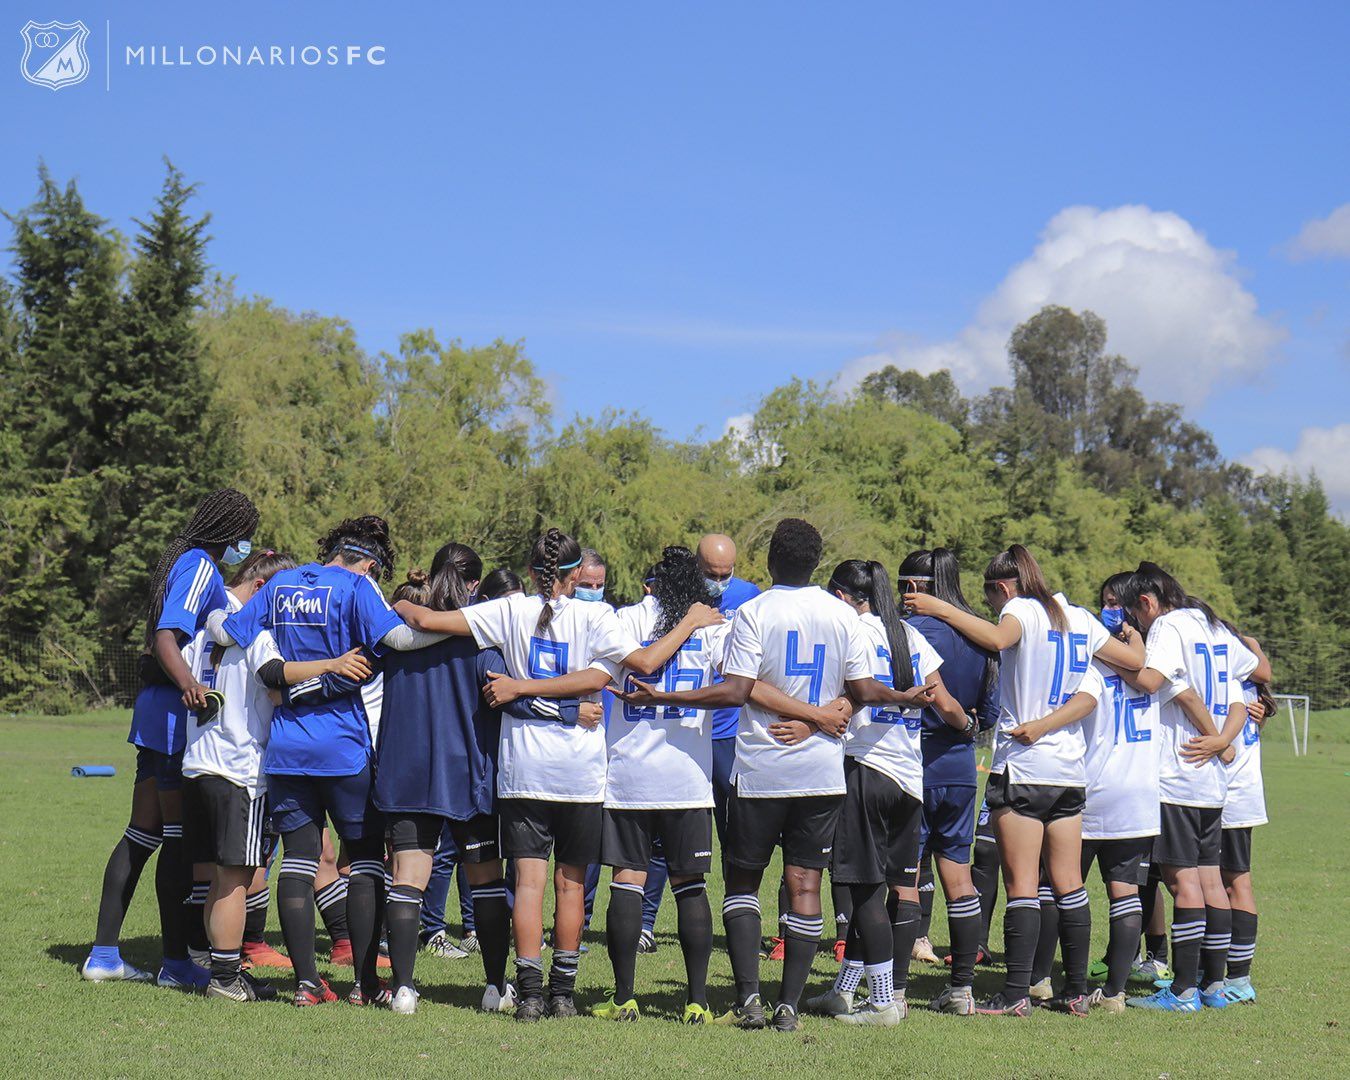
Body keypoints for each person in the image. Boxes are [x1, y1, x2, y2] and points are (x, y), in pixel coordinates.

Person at [615, 519, 934, 1032]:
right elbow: (863, 689)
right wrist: (822, 717)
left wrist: (665, 696)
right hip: (823, 773)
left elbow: (737, 690)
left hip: (761, 769)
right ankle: (788, 1005)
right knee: (805, 884)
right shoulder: (843, 614)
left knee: (743, 882)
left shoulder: (754, 611)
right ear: (816, 561)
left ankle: (750, 1000)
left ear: (768, 562)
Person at [394, 527, 722, 1022]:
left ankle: (528, 993)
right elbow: (643, 663)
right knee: (571, 886)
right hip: (581, 772)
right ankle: (563, 993)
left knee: (527, 885)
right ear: (575, 576)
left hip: (523, 769)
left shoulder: (509, 609)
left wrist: (399, 608)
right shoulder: (598, 615)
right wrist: (691, 621)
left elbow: (424, 618)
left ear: (531, 573)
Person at [210, 515, 446, 1006]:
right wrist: (460, 629)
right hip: (342, 747)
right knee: (362, 861)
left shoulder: (279, 585)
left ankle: (306, 984)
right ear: (369, 563)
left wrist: (207, 619)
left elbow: (229, 633)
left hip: (287, 748)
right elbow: (400, 640)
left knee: (297, 860)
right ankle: (363, 982)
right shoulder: (356, 588)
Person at [906, 544, 1143, 1017]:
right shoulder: (1080, 617)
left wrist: (940, 608)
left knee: (1022, 887)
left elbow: (997, 638)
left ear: (1003, 587)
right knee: (1070, 886)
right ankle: (1075, 991)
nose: (994, 607)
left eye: (991, 597)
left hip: (1023, 766)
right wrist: (1135, 641)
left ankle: (1015, 993)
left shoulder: (1020, 610)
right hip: (1069, 771)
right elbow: (1132, 663)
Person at [377, 542, 596, 1015]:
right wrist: (569, 711)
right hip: (468, 773)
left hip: (406, 770)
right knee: (486, 882)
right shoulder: (481, 639)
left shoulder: (395, 632)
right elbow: (508, 695)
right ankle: (496, 987)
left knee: (408, 878)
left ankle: (403, 989)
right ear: (476, 585)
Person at [82, 488, 259, 988]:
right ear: (230, 531)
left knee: (142, 835)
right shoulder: (201, 563)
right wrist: (192, 687)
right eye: (244, 537)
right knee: (178, 841)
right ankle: (177, 963)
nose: (244, 546)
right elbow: (166, 636)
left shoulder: (185, 561)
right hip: (173, 719)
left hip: (153, 713)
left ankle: (104, 954)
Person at [180, 549, 372, 1001]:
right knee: (237, 876)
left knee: (219, 875)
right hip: (238, 767)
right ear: (265, 591)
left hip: (197, 761)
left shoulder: (209, 628)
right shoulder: (258, 629)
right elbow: (273, 676)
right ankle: (225, 979)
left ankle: (220, 965)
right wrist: (331, 665)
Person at [804, 559, 966, 1025]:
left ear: (841, 595)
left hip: (867, 769)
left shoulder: (852, 631)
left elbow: (859, 689)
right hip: (908, 780)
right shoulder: (909, 635)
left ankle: (883, 1001)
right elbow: (945, 701)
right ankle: (843, 991)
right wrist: (968, 723)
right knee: (891, 887)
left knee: (862, 892)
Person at [590, 546, 733, 1024]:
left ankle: (624, 996)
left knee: (626, 882)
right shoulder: (711, 625)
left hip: (630, 774)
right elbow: (738, 685)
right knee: (690, 887)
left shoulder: (626, 617)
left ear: (652, 583)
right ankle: (697, 1001)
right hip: (688, 778)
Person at [1112, 564, 1255, 1013]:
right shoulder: (1210, 623)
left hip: (1176, 774)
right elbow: (1241, 696)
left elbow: (1153, 681)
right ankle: (1214, 986)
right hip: (1211, 781)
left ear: (1147, 603)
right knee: (1211, 881)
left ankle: (1184, 990)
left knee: (1182, 882)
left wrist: (1110, 652)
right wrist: (1223, 741)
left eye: (1137, 616)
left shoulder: (1169, 627)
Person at [1034, 574, 1165, 1013]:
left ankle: (1040, 980)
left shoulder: (1087, 660)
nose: (1108, 610)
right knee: (1124, 891)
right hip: (1140, 793)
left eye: (1114, 604)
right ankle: (1115, 994)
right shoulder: (1159, 665)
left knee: (1058, 886)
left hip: (1089, 788)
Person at [896, 548, 1000, 1015]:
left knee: (902, 876)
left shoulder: (906, 630)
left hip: (909, 763)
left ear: (914, 587)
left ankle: (892, 989)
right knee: (958, 874)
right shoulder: (981, 636)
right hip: (960, 768)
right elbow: (989, 715)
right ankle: (961, 989)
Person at [696, 535, 769, 946]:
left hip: (728, 733)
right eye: (711, 575)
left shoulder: (749, 597)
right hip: (684, 732)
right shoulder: (679, 593)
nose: (719, 584)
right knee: (668, 830)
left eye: (726, 575)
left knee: (734, 834)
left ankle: (738, 919)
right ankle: (647, 923)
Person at [1220, 644, 1275, 1005]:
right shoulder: (1245, 685)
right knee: (1215, 882)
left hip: (1230, 795)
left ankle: (1238, 979)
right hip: (1231, 794)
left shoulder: (1232, 681)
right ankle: (1210, 972)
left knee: (1233, 881)